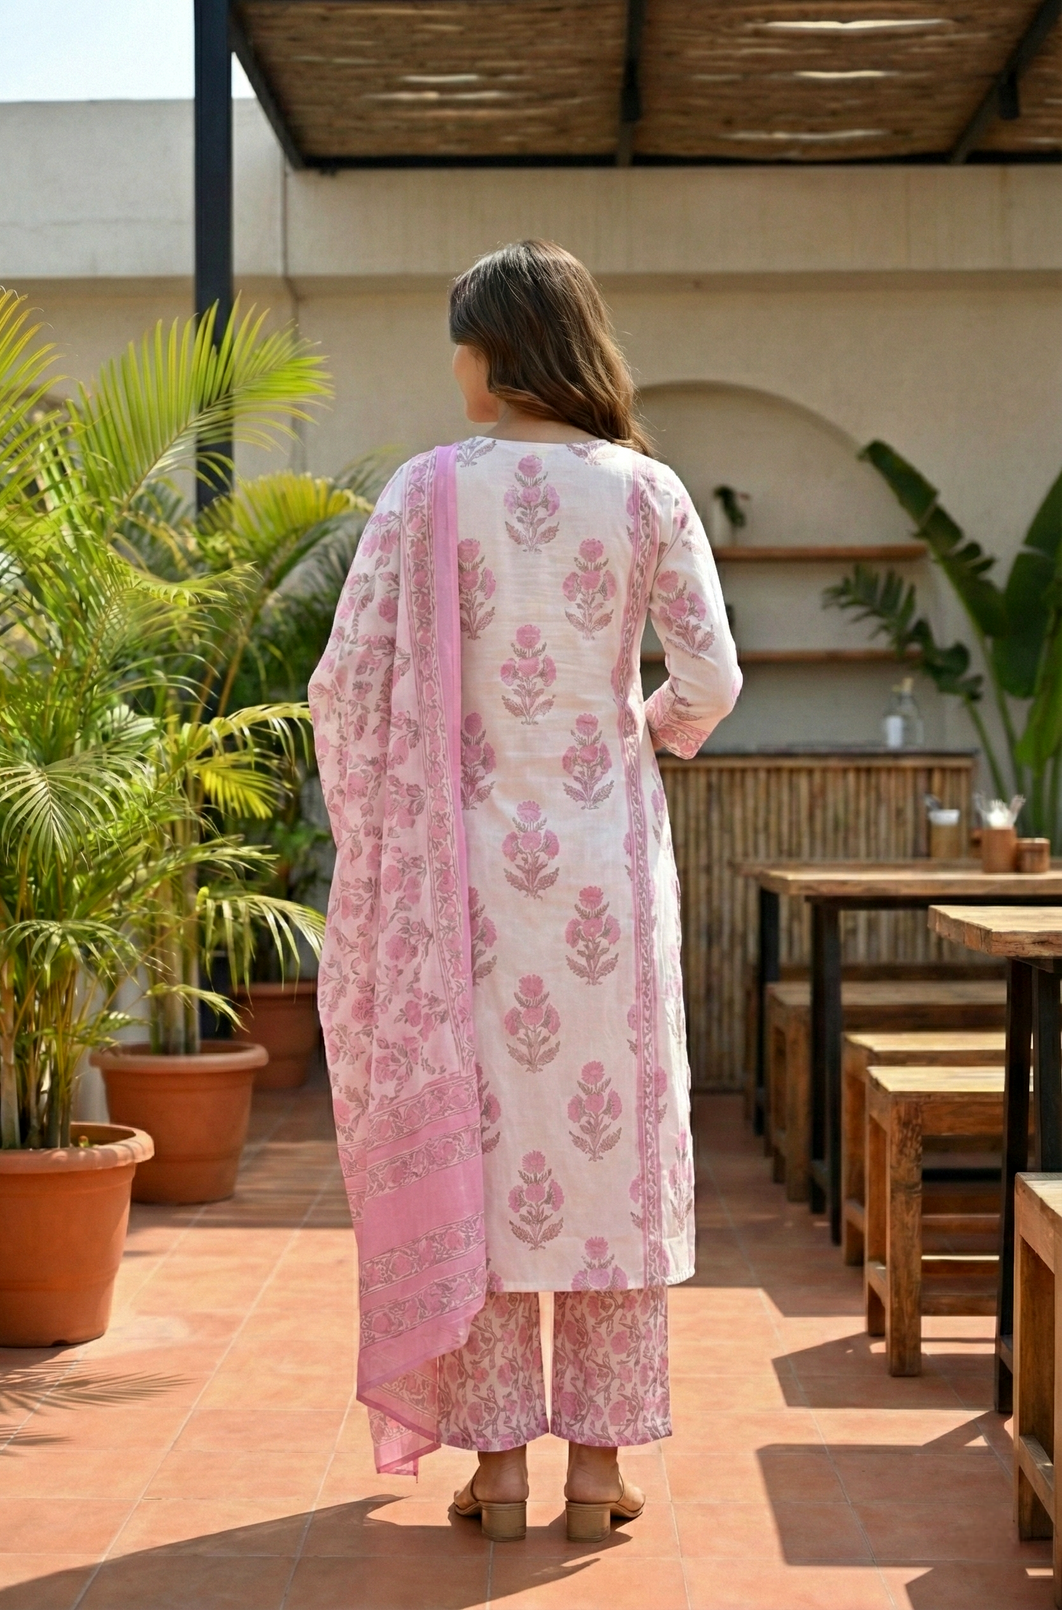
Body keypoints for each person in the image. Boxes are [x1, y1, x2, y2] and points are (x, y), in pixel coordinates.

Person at [310, 240, 740, 1544]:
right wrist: (641, 735)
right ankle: (596, 1474)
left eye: (461, 344)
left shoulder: (426, 491)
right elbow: (711, 681)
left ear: (494, 353)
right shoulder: (649, 491)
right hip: (607, 878)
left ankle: (498, 1473)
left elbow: (347, 683)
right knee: (606, 1161)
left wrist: (392, 806)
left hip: (465, 889)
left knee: (489, 1163)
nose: (455, 368)